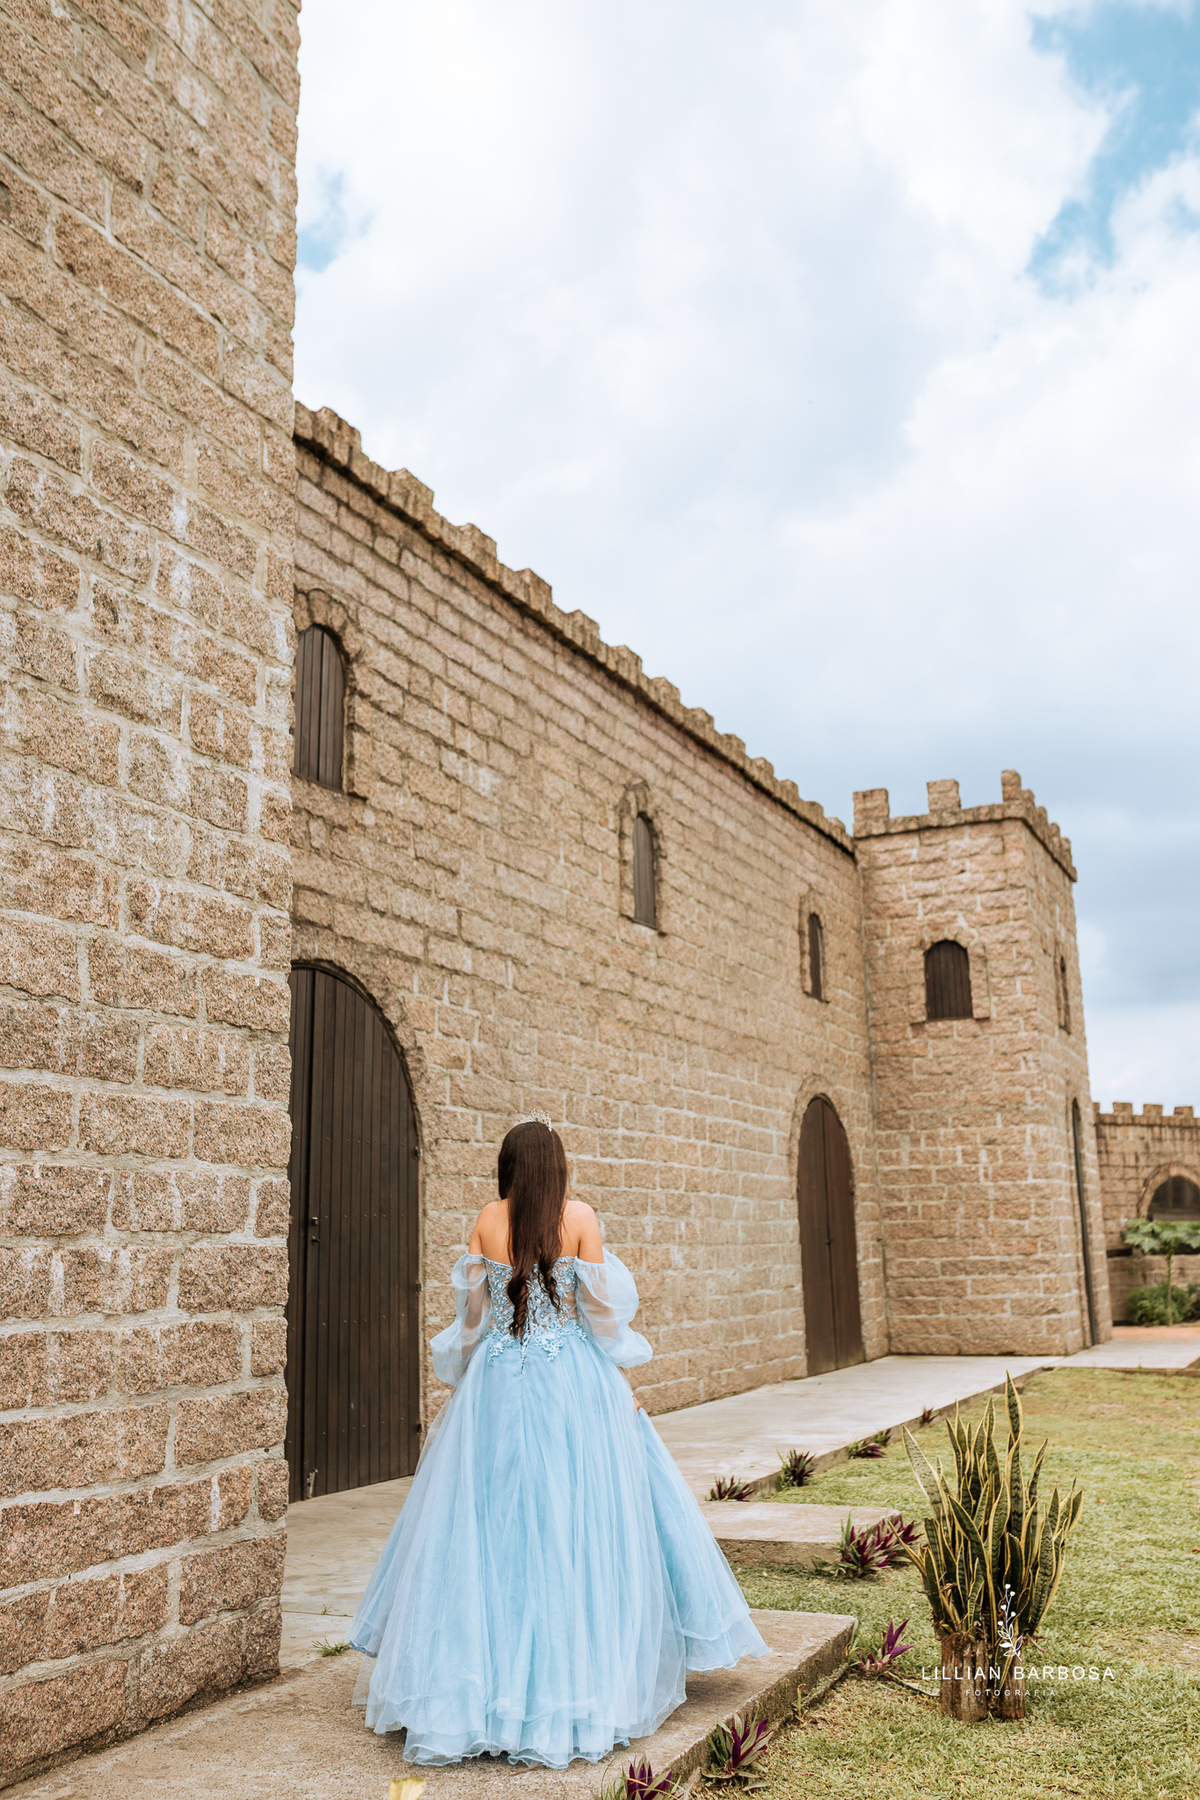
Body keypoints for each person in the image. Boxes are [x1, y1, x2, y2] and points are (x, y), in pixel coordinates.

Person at [349, 1114, 768, 1768]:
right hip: (569, 1382)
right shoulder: (580, 1218)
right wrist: (620, 1377)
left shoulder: (488, 1219)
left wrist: (461, 1382)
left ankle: (477, 1690)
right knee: (577, 1523)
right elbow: (601, 1317)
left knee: (488, 1527)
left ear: (510, 1166)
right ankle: (576, 1683)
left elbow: (474, 1322)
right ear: (558, 1166)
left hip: (498, 1379)